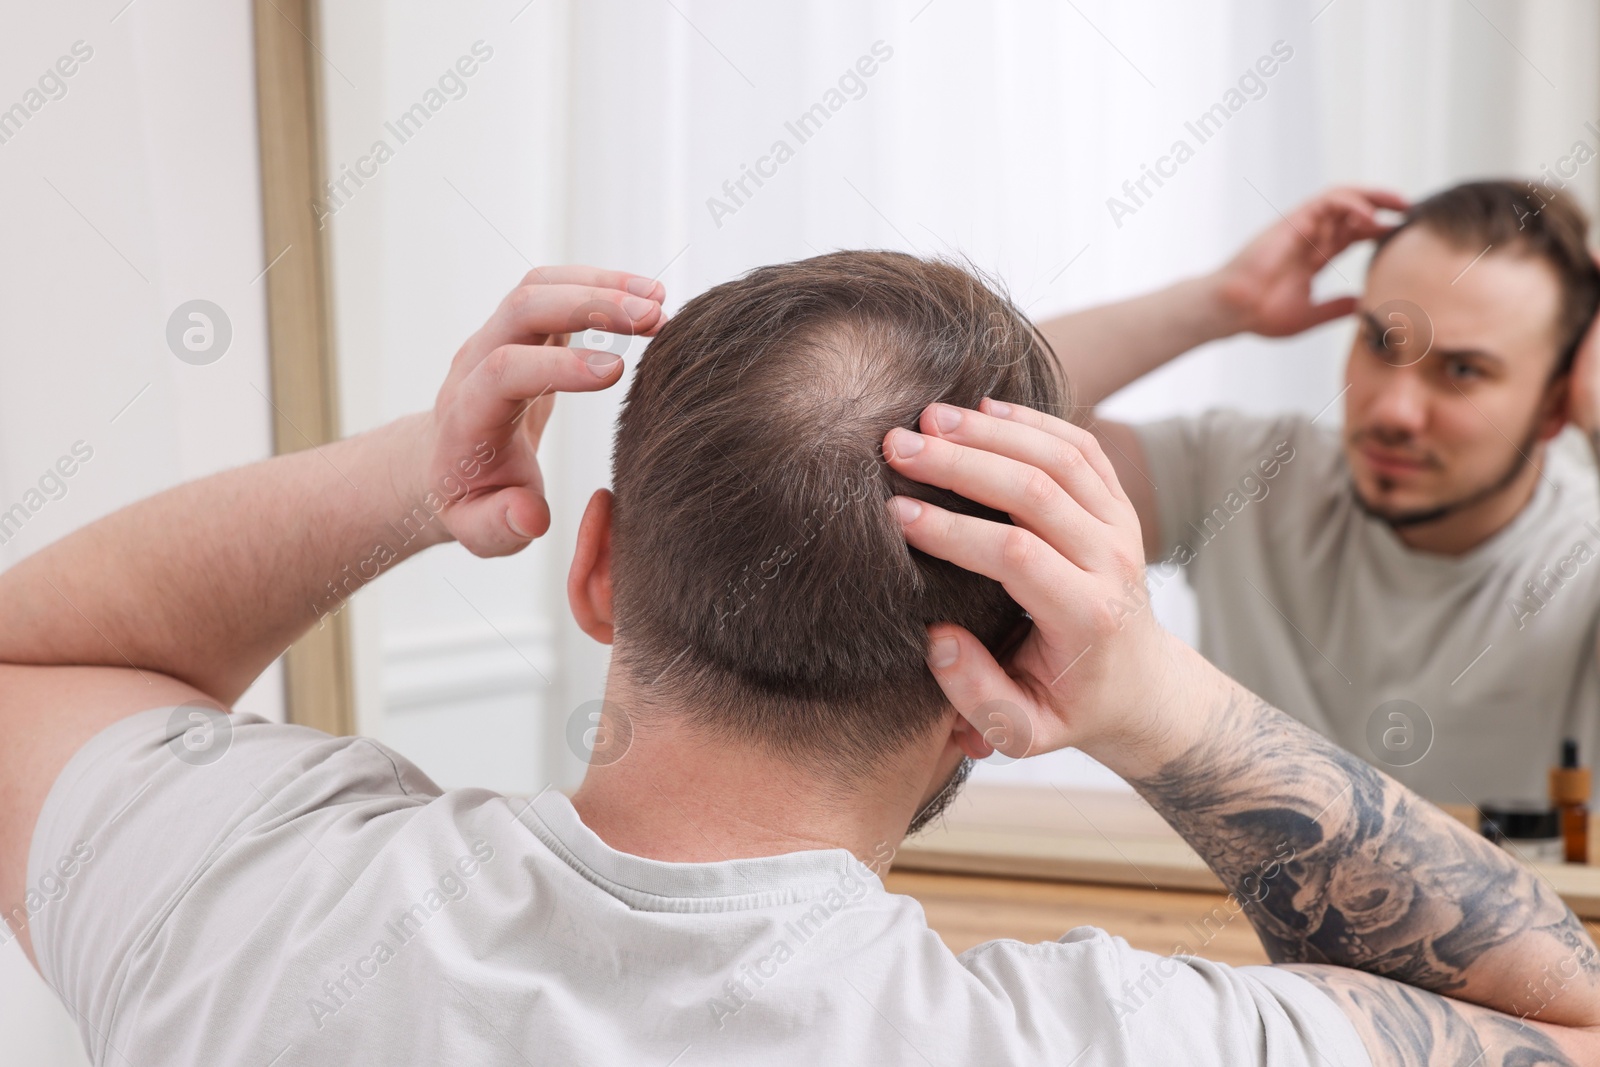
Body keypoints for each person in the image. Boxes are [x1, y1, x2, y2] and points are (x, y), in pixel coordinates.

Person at [1, 254, 1596, 1065]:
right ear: (1008, 668)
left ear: (599, 564)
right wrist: (1154, 697)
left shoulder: (255, 901)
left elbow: (31, 656)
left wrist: (421, 476)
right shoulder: (1098, 1040)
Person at [1040, 180, 1600, 802]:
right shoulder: (1246, 475)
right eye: (1381, 344)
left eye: (1463, 371)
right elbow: (964, 417)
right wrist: (1220, 303)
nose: (1395, 411)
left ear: (1555, 407)